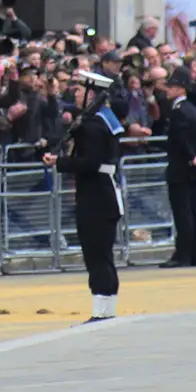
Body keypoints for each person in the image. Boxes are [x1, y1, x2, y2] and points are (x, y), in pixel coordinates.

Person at [43, 71, 125, 321]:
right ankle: (105, 306)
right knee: (101, 253)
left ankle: (102, 309)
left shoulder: (93, 125)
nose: (75, 94)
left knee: (96, 253)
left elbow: (90, 161)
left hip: (96, 195)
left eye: (79, 90)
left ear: (92, 93)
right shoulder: (100, 120)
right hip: (102, 192)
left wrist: (60, 162)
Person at [162, 67, 196, 269]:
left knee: (183, 213)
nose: (167, 90)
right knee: (194, 211)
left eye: (172, 87)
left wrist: (192, 158)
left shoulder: (179, 111)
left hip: (181, 168)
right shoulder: (192, 110)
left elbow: (182, 140)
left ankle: (183, 254)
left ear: (181, 89)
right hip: (191, 168)